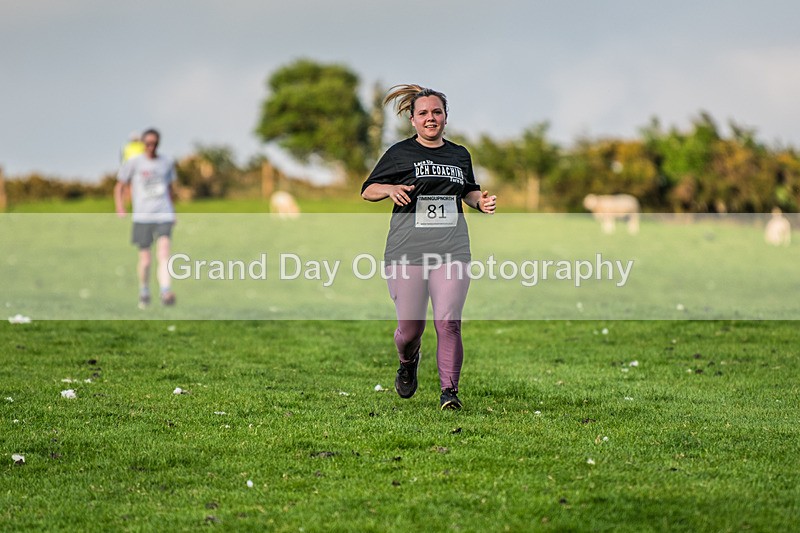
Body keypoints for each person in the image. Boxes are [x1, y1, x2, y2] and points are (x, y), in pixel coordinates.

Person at [361, 84, 497, 410]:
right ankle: (408, 361)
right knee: (410, 330)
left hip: (452, 249)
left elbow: (468, 191)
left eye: (437, 112)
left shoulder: (459, 155)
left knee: (448, 321)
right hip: (406, 251)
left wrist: (480, 202)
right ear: (413, 120)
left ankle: (449, 392)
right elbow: (368, 189)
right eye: (423, 113)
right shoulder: (399, 153)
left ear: (446, 117)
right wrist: (390, 190)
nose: (430, 118)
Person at [114, 128, 177, 308]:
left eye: (154, 143)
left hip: (163, 213)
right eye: (148, 143)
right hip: (142, 216)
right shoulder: (133, 163)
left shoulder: (166, 163)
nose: (151, 147)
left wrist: (173, 211)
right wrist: (120, 207)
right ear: (142, 144)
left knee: (164, 253)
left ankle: (165, 291)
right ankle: (144, 290)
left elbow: (170, 189)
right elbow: (119, 186)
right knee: (146, 260)